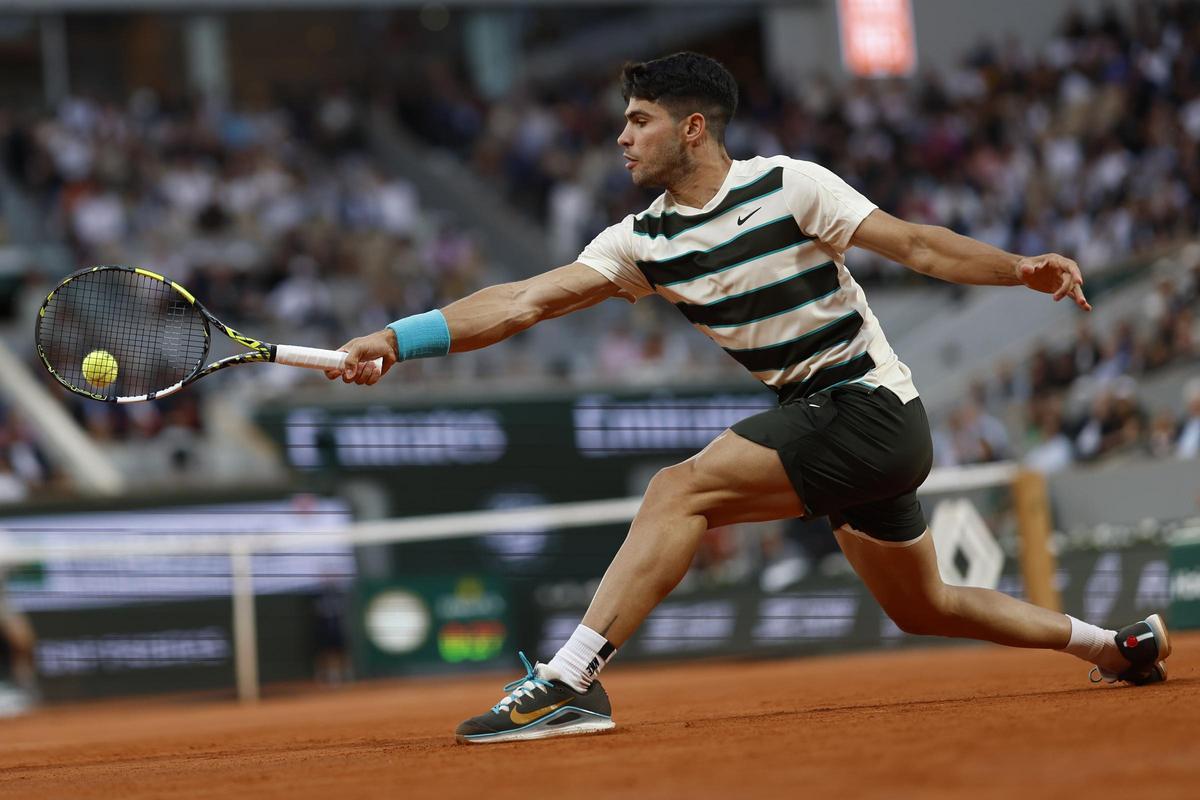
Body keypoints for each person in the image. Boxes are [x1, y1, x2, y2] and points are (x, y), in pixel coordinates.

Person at [326, 53, 1170, 744]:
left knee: (675, 490)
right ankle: (1118, 647)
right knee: (925, 606)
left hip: (865, 406)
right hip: (845, 433)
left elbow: (913, 243)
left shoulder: (789, 185)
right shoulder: (640, 240)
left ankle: (569, 680)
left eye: (639, 120)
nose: (620, 137)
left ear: (692, 127)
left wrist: (1016, 268)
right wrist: (401, 338)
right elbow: (521, 301)